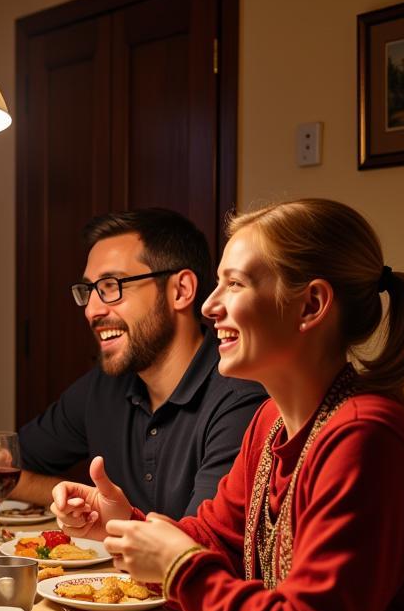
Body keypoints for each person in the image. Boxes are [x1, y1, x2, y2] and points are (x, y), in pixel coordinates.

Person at [52, 198, 404, 611]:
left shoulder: (366, 438)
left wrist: (181, 566)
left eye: (236, 284)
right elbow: (210, 536)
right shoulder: (273, 427)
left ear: (311, 306)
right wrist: (124, 527)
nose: (210, 306)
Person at [16, 208, 265, 516]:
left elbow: (198, 547)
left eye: (111, 286)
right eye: (89, 291)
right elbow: (8, 464)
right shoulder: (104, 386)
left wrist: (109, 518)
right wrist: (78, 502)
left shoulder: (240, 398)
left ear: (181, 290)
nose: (91, 310)